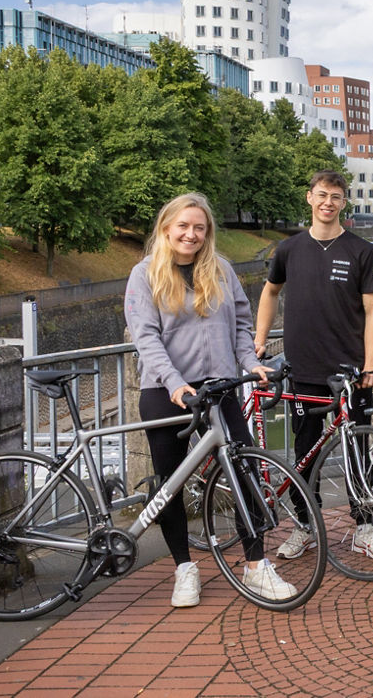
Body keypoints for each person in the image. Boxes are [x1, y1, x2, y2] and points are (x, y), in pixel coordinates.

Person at [124, 192, 294, 607]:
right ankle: (184, 567)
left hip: (218, 389)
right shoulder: (144, 274)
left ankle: (256, 565)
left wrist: (250, 362)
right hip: (167, 392)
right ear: (167, 228)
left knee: (246, 471)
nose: (191, 234)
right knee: (171, 483)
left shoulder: (220, 270)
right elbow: (145, 337)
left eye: (199, 227)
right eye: (183, 226)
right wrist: (174, 382)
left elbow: (240, 322)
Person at [254, 170, 373, 562]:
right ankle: (305, 526)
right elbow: (270, 292)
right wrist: (260, 339)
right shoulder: (289, 249)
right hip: (302, 369)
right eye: (322, 195)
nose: (328, 202)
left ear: (344, 203)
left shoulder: (362, 251)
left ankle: (365, 525)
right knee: (304, 452)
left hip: (350, 371)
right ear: (309, 197)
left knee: (356, 450)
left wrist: (370, 364)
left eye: (336, 196)